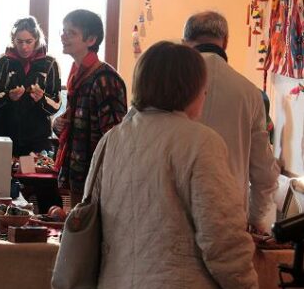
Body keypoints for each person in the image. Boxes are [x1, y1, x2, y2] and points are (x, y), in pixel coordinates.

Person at [79, 41, 258, 288]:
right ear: (189, 89)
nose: (204, 95)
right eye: (203, 89)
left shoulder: (112, 139)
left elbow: (90, 219)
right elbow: (222, 236)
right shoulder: (201, 141)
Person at [183, 11, 279, 233]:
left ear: (185, 43)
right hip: (227, 218)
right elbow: (265, 173)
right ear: (225, 42)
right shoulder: (250, 92)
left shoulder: (169, 85)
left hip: (175, 216)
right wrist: (254, 219)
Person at [53, 9, 127, 206]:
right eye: (63, 30)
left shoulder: (105, 78)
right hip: (78, 171)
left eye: (72, 32)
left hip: (97, 177)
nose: (63, 36)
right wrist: (59, 124)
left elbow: (114, 135)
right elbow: (75, 119)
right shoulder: (77, 76)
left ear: (91, 39)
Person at [0, 16, 61, 156]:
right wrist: (8, 97)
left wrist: (41, 99)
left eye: (29, 42)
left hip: (37, 139)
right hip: (3, 136)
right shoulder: (2, 62)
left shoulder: (50, 63)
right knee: (2, 177)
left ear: (37, 40)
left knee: (33, 177)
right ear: (13, 40)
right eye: (19, 42)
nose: (24, 47)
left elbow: (56, 105)